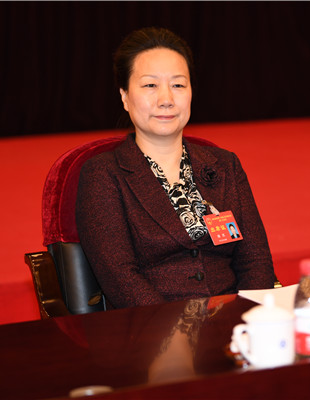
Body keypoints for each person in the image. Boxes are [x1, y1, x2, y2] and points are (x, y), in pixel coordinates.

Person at [75, 27, 275, 309]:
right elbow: (120, 278)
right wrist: (178, 329)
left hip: (234, 322)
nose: (166, 99)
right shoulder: (104, 175)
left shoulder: (224, 164)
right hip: (153, 325)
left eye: (178, 85)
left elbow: (255, 260)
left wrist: (249, 318)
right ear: (124, 96)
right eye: (150, 85)